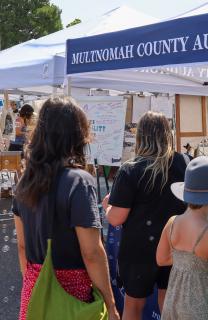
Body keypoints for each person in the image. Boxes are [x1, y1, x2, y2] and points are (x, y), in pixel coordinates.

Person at [13, 97, 119, 320]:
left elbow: (22, 247)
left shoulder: (25, 183)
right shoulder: (79, 182)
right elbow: (91, 252)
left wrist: (37, 284)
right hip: (73, 296)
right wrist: (110, 304)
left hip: (34, 294)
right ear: (76, 135)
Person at [102, 111, 188, 320]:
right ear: (167, 133)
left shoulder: (131, 169)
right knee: (169, 305)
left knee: (133, 306)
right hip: (174, 243)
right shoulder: (183, 162)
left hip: (139, 249)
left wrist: (106, 207)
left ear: (141, 135)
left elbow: (116, 218)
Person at [156, 156, 208, 320]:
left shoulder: (172, 222)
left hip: (173, 300)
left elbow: (161, 259)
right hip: (201, 306)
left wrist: (186, 261)